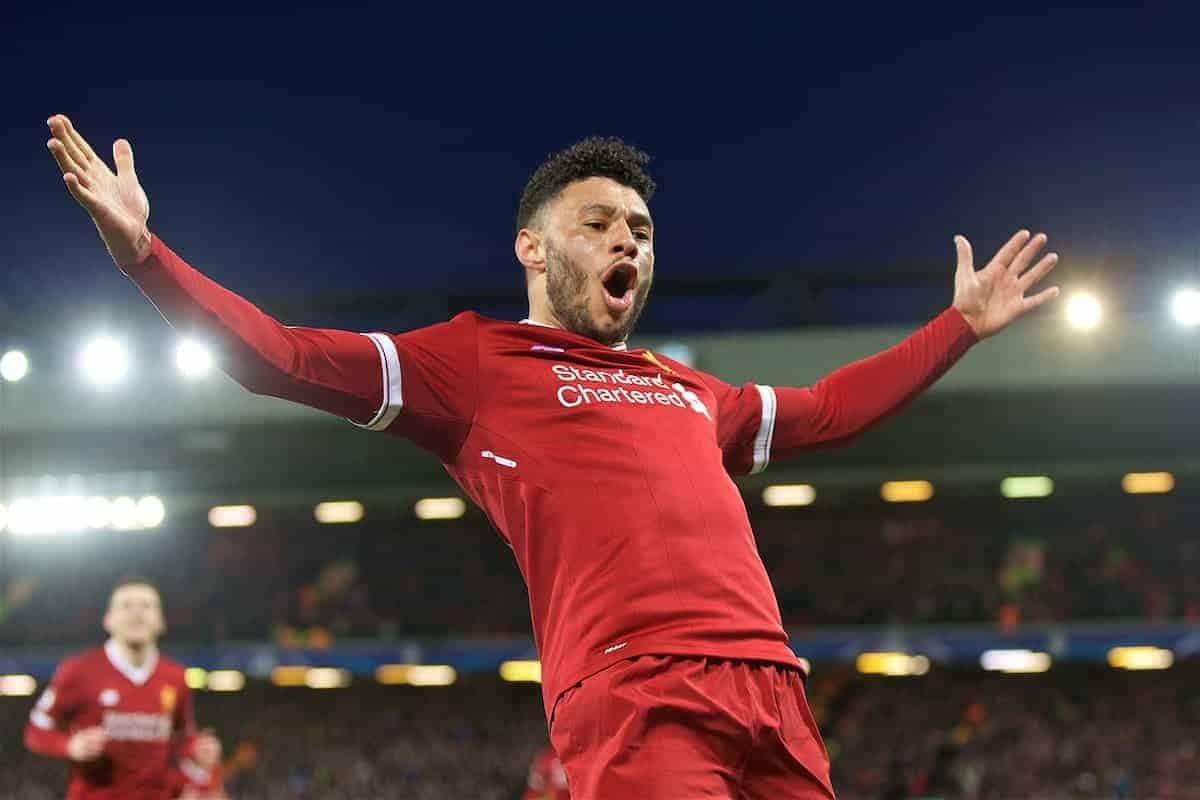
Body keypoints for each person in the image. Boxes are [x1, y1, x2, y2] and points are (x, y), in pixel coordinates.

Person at [44, 115, 1059, 799]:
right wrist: (147, 256)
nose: (631, 242)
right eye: (601, 223)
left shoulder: (689, 389)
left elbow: (831, 408)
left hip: (775, 691)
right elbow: (282, 356)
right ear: (534, 247)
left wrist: (958, 326)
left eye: (644, 230)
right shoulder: (475, 362)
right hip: (639, 696)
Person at [24, 577, 223, 800]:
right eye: (126, 605)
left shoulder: (175, 677)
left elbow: (181, 737)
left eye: (146, 606)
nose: (136, 613)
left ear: (161, 621)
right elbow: (36, 731)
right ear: (108, 620)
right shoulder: (79, 671)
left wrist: (197, 748)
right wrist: (69, 745)